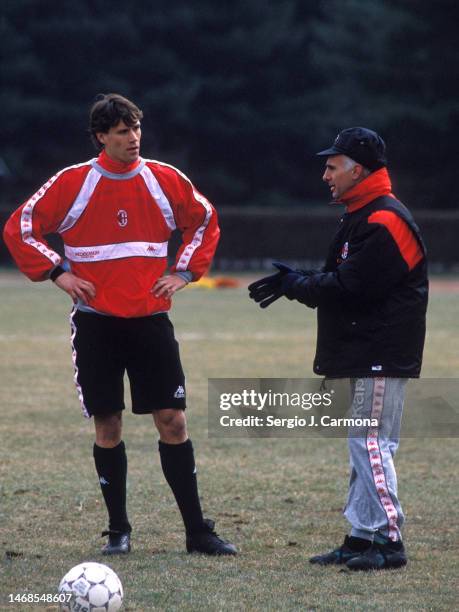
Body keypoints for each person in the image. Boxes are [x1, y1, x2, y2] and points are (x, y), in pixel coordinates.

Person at [4, 93, 236, 557]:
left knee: (172, 422)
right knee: (107, 426)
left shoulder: (164, 178)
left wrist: (184, 271)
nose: (133, 138)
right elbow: (20, 227)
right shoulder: (74, 182)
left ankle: (197, 532)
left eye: (136, 129)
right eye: (122, 131)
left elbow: (205, 219)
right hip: (96, 326)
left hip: (150, 322)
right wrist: (58, 271)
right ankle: (119, 531)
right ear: (101, 137)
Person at [248, 127, 428, 570]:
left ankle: (389, 538)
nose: (326, 174)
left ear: (358, 169)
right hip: (366, 348)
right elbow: (349, 277)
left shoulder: (384, 219)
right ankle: (362, 537)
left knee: (370, 442)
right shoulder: (363, 214)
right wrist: (299, 280)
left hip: (379, 351)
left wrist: (297, 285)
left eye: (332, 166)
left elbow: (352, 287)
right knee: (363, 444)